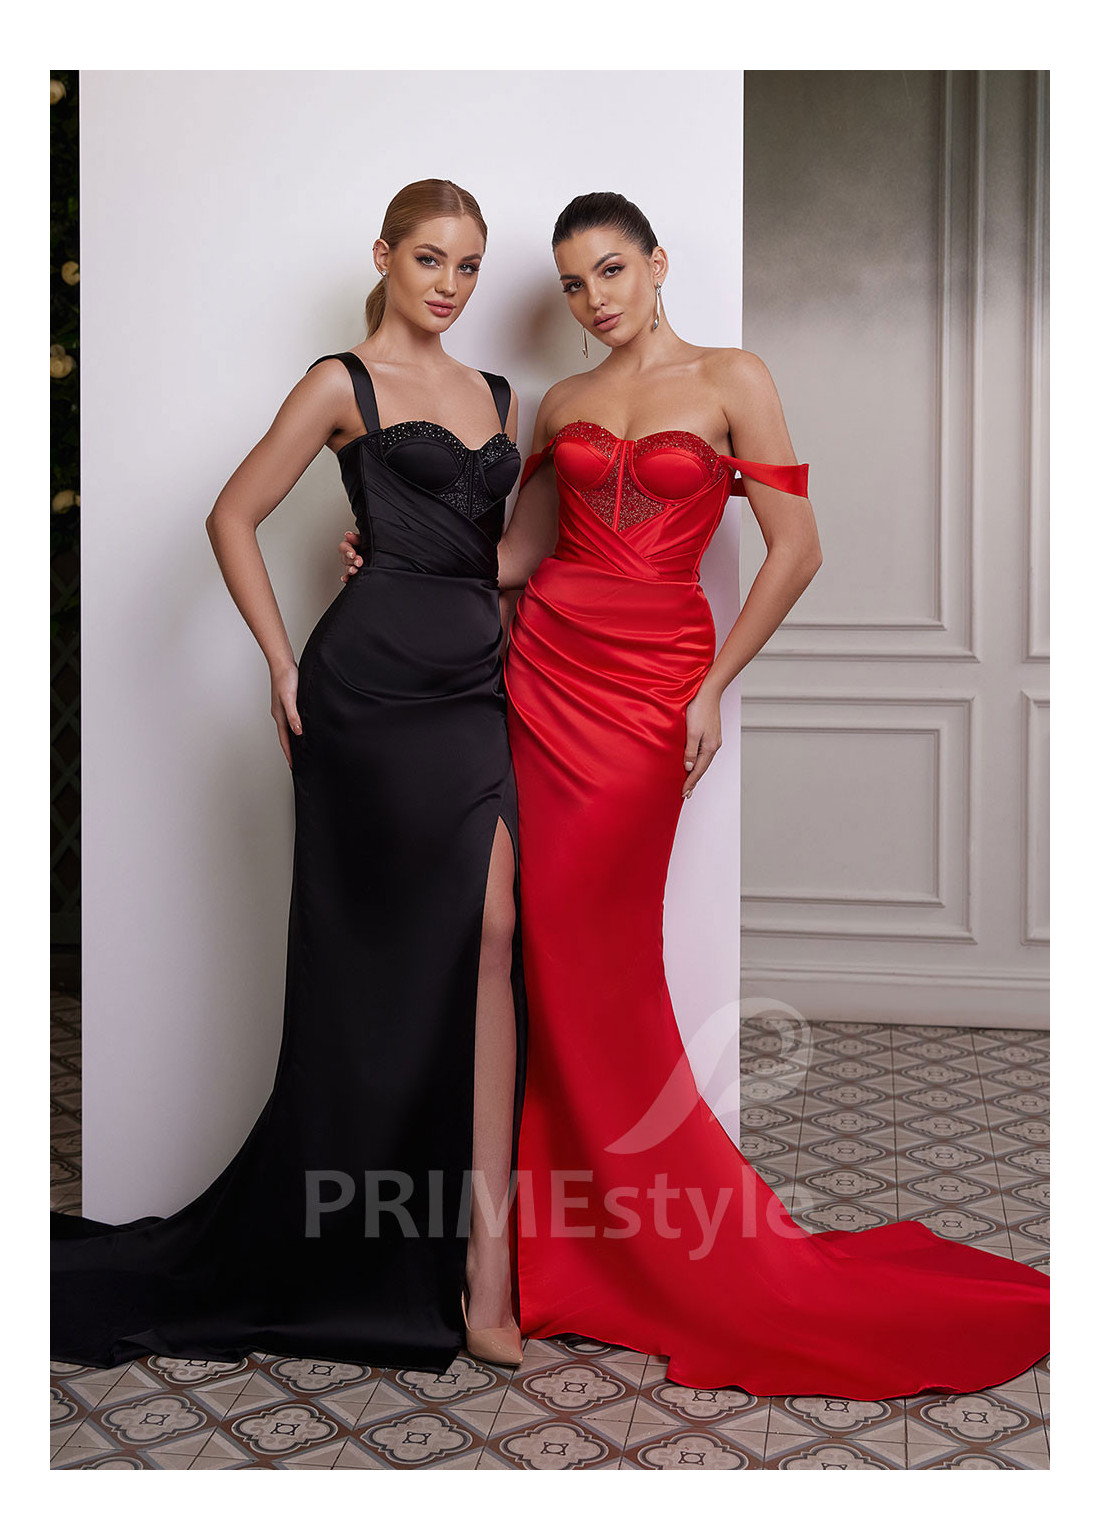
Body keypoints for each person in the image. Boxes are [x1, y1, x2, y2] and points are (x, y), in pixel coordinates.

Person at [343, 189, 1049, 1396]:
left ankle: (653, 1239)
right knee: (538, 949)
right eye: (573, 285)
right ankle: (556, 1250)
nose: (594, 300)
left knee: (600, 952)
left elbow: (796, 548)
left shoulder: (733, 377)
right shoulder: (562, 403)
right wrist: (399, 554)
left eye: (611, 271)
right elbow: (520, 554)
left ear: (657, 262)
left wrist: (711, 687)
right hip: (544, 670)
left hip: (651, 685)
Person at [51, 178, 526, 1373]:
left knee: (491, 935)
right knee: (369, 968)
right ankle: (362, 1251)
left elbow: (490, 552)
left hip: (473, 695)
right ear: (384, 255)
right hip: (364, 696)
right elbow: (230, 515)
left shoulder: (498, 393)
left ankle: (488, 1275)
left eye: (469, 264)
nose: (451, 284)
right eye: (429, 258)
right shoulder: (339, 382)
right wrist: (278, 663)